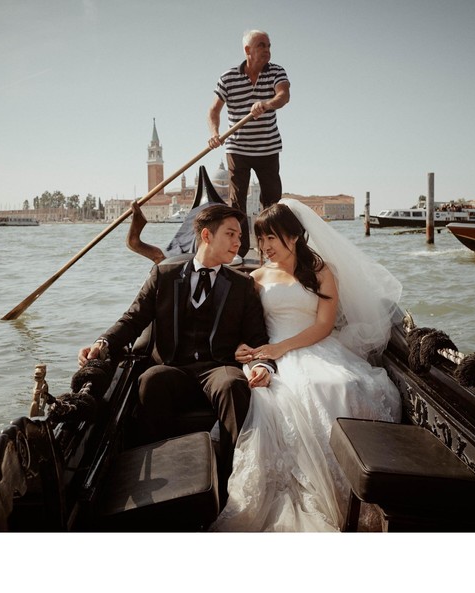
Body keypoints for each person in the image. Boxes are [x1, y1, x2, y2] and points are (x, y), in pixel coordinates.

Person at [211, 199, 403, 532]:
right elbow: (245, 326)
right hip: (273, 354)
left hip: (316, 344)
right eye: (262, 239)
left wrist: (281, 346)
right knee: (307, 390)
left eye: (272, 237)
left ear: (294, 235)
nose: (266, 246)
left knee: (345, 386)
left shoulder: (322, 271)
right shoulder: (255, 278)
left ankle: (357, 491)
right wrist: (251, 349)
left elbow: (324, 325)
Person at [80, 204, 276, 498]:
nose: (239, 242)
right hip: (174, 368)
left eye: (240, 235)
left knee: (233, 385)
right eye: (231, 234)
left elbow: (258, 337)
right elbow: (133, 319)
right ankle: (161, 478)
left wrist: (265, 365)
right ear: (207, 235)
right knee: (150, 381)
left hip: (217, 366)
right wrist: (103, 343)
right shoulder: (164, 274)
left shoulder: (241, 285)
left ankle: (231, 480)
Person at [207, 30, 291, 257]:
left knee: (272, 202)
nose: (267, 50)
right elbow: (214, 110)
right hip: (238, 148)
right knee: (236, 203)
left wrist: (266, 103)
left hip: (268, 148)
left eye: (269, 45)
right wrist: (215, 133)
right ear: (247, 50)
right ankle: (239, 251)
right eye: (262, 45)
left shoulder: (276, 71)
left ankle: (270, 249)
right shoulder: (228, 78)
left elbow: (283, 96)